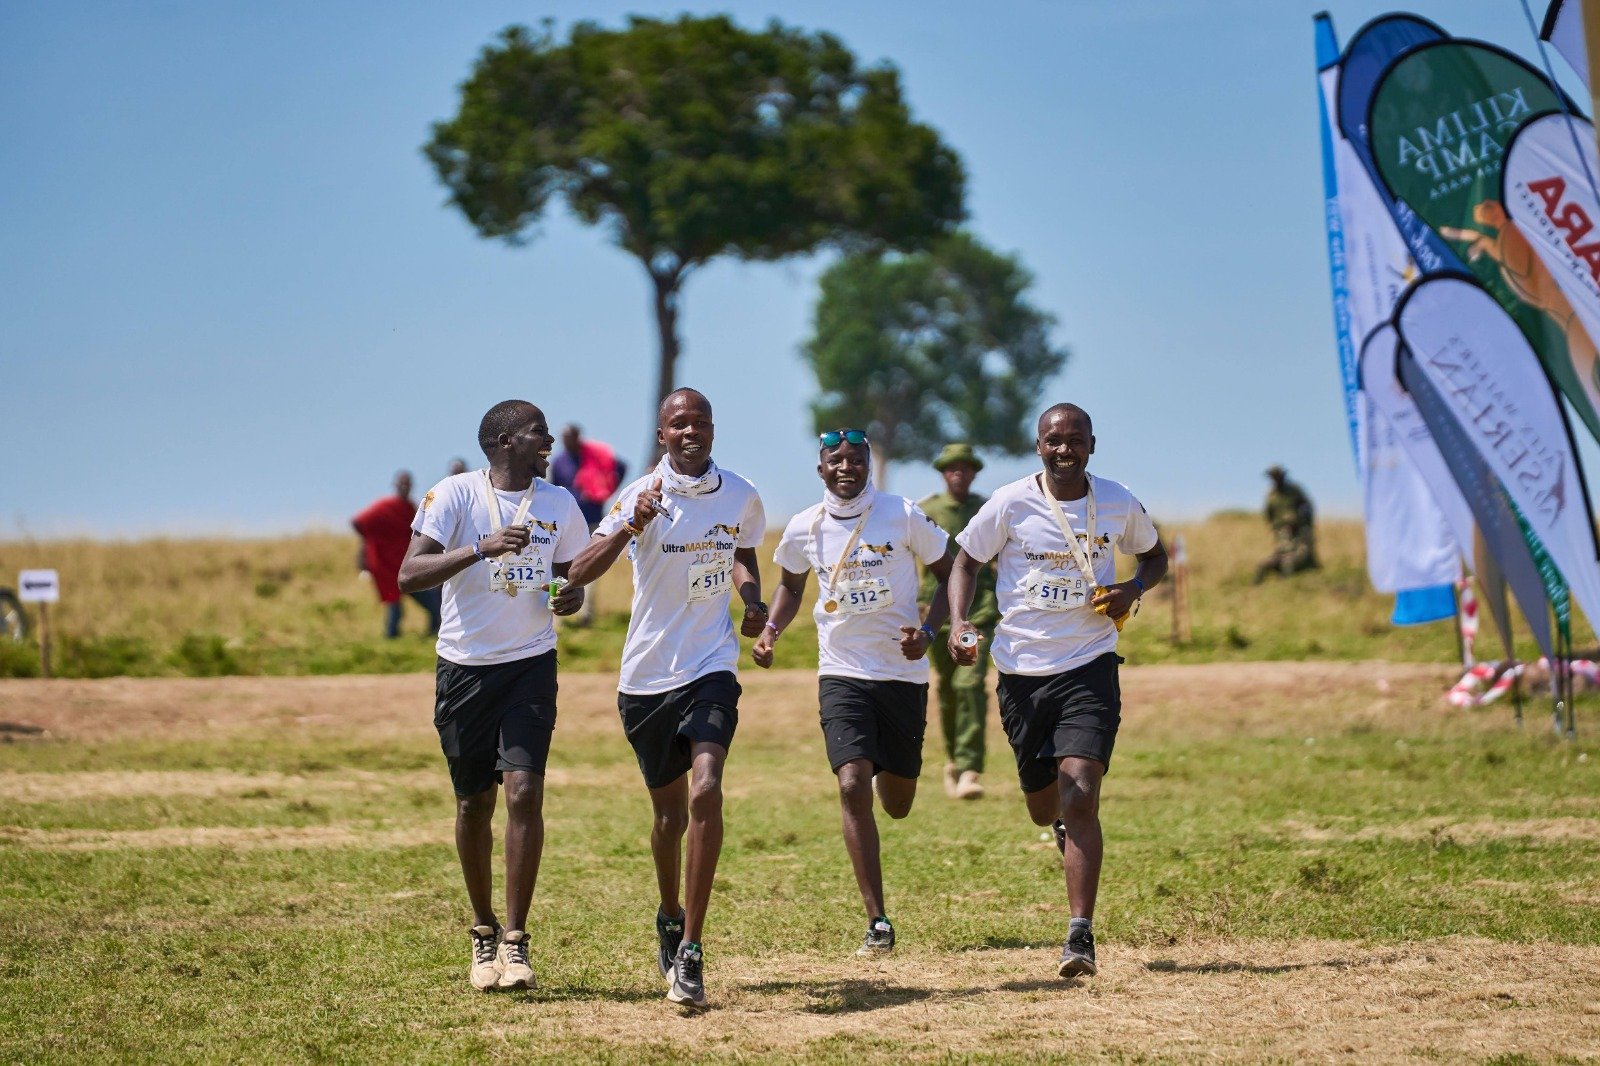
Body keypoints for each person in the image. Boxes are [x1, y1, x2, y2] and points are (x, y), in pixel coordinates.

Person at [948, 403, 1166, 979]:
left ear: (1092, 445)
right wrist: (959, 623)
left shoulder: (1116, 500)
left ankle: (1080, 934)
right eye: (1054, 441)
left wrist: (1133, 587)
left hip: (1089, 665)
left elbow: (1155, 554)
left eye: (1075, 440)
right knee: (1044, 805)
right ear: (1038, 446)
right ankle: (1061, 831)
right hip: (1021, 672)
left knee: (1080, 790)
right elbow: (966, 561)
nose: (1064, 449)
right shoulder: (1010, 502)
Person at [566, 388, 767, 1009]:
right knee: (668, 817)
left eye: (700, 422)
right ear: (662, 435)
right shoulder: (639, 497)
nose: (690, 432)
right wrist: (634, 522)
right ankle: (669, 911)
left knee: (707, 786)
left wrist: (752, 600)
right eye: (679, 423)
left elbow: (741, 551)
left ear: (713, 430)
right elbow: (578, 571)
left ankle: (693, 950)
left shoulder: (740, 492)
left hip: (712, 665)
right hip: (648, 678)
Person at [397, 400, 589, 992]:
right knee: (473, 803)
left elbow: (569, 575)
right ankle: (482, 934)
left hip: (531, 663)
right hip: (464, 669)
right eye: (538, 432)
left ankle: (516, 940)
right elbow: (410, 574)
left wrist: (569, 597)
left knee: (524, 790)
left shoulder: (559, 503)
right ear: (505, 441)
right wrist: (482, 547)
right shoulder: (453, 495)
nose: (549, 440)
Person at [753, 429, 953, 955]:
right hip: (841, 671)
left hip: (902, 674)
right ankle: (878, 920)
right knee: (850, 782)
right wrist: (773, 629)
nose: (846, 467)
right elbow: (791, 587)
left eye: (856, 459)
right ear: (820, 469)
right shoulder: (803, 528)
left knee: (899, 802)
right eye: (835, 459)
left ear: (869, 466)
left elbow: (951, 572)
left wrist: (930, 632)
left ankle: (896, 776)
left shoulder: (902, 513)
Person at [918, 443, 998, 800]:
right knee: (948, 688)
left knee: (969, 684)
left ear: (974, 473)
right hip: (934, 613)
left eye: (965, 468)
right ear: (942, 473)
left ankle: (970, 769)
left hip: (977, 611)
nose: (959, 474)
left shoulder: (988, 509)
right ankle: (953, 759)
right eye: (952, 468)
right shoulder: (926, 510)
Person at [549, 424, 629, 624]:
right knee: (562, 566)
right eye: (564, 438)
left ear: (578, 437)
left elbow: (621, 466)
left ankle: (586, 615)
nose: (568, 441)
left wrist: (607, 489)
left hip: (593, 519)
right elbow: (553, 488)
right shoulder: (559, 462)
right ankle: (559, 611)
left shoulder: (594, 455)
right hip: (567, 523)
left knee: (590, 566)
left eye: (571, 437)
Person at [352, 471, 442, 638]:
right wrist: (371, 543)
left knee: (432, 604)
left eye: (407, 484)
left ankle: (431, 635)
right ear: (395, 485)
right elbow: (358, 522)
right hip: (386, 565)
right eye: (401, 483)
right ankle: (391, 639)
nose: (404, 487)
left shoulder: (410, 508)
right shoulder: (384, 506)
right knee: (395, 606)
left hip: (404, 564)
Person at [1254, 465, 1317, 583]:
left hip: (1299, 530)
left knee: (1290, 562)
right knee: (1265, 564)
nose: (1275, 479)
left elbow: (1307, 506)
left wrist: (1304, 523)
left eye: (1277, 476)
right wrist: (1276, 526)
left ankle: (1288, 584)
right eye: (1273, 477)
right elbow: (1268, 513)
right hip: (1281, 531)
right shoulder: (1271, 495)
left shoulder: (1294, 490)